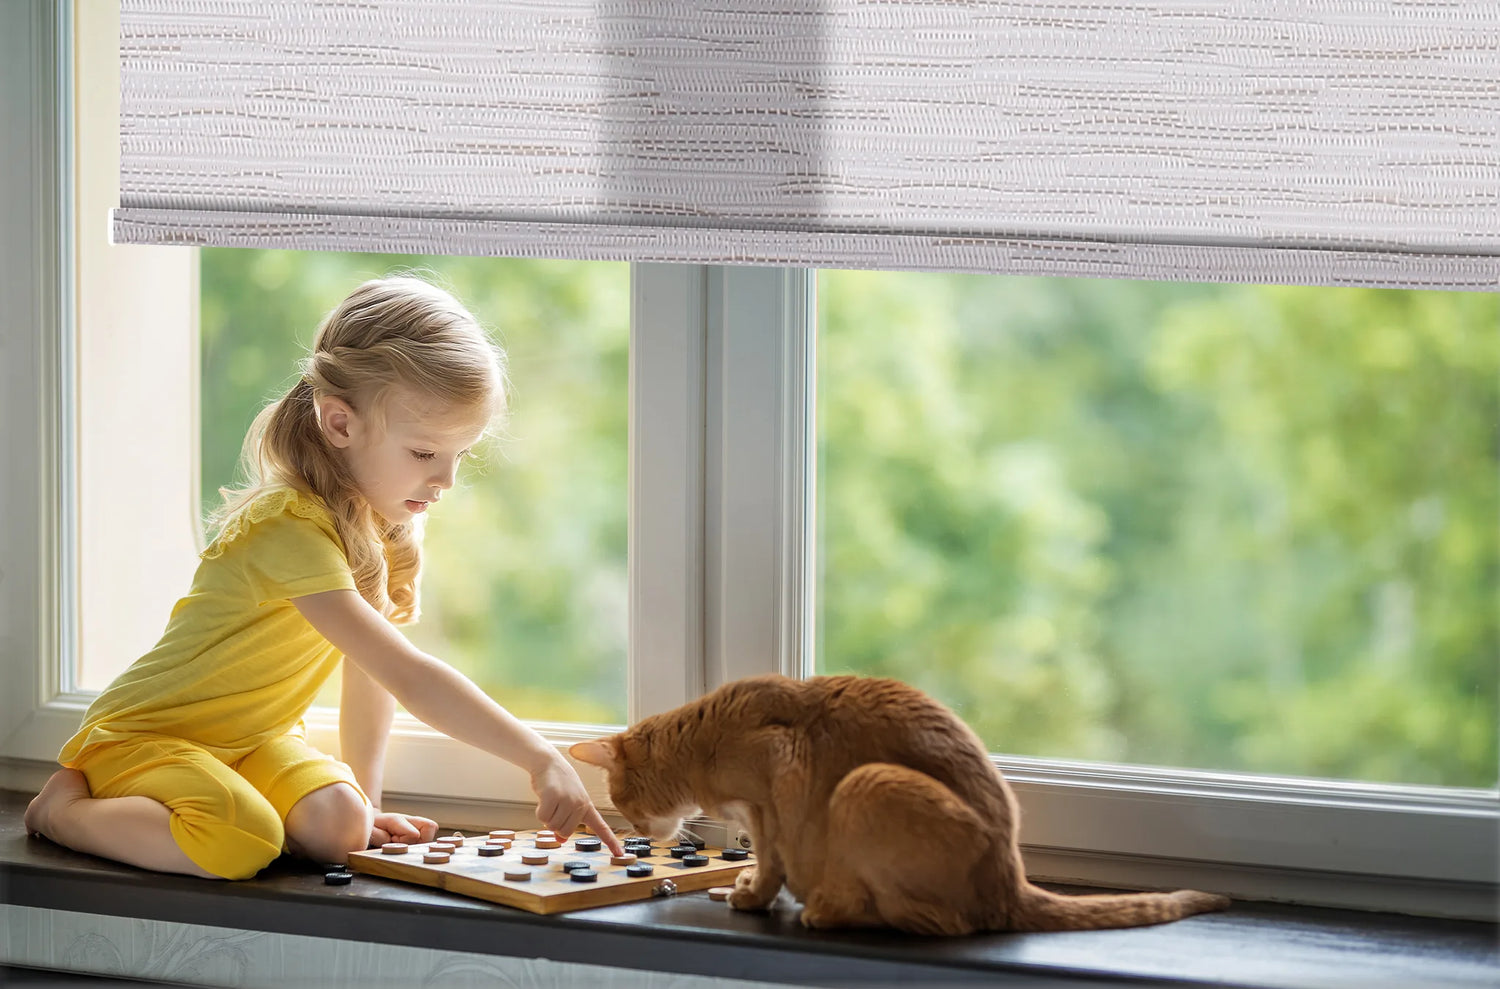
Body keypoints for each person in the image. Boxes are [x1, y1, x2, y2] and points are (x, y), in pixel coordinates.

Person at [24, 275, 624, 879]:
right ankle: (62, 811)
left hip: (252, 743)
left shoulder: (381, 529)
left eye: (458, 455)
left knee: (342, 826)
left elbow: (370, 678)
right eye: (424, 454)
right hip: (145, 736)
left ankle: (246, 805)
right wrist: (539, 756)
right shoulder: (288, 525)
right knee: (239, 841)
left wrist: (368, 804)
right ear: (341, 425)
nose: (445, 480)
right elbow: (408, 674)